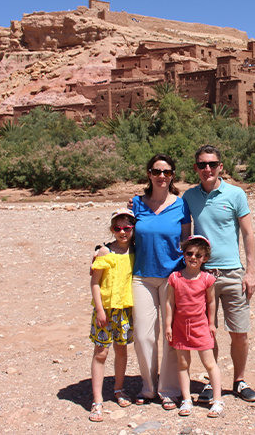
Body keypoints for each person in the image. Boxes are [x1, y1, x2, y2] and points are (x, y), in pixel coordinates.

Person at [182, 144, 255, 403]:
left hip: (233, 273)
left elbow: (248, 234)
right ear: (196, 168)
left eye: (212, 164)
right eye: (202, 165)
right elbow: (182, 231)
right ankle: (210, 381)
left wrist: (251, 272)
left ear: (220, 167)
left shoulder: (236, 194)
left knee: (239, 332)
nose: (207, 169)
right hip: (203, 275)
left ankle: (239, 380)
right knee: (207, 332)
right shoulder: (189, 197)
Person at [130, 154, 191, 409]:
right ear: (149, 174)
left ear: (173, 175)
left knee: (170, 335)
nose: (161, 176)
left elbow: (187, 241)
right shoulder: (136, 203)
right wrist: (104, 249)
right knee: (144, 336)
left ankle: (168, 389)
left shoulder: (181, 204)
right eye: (157, 171)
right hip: (142, 276)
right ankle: (148, 386)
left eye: (167, 171)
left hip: (172, 276)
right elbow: (125, 235)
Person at [165, 235, 224, 418]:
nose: (193, 258)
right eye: (189, 253)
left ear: (205, 258)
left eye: (198, 255)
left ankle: (217, 399)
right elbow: (169, 303)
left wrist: (212, 323)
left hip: (200, 326)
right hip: (181, 326)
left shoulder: (207, 279)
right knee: (183, 364)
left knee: (209, 363)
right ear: (183, 254)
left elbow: (212, 302)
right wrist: (168, 325)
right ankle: (187, 399)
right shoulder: (175, 278)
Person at [88, 208, 136, 422]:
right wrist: (99, 309)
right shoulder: (105, 252)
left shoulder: (135, 250)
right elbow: (95, 282)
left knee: (121, 349)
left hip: (125, 309)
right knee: (101, 352)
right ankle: (97, 399)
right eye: (118, 228)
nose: (123, 232)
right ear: (112, 229)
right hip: (105, 310)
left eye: (127, 228)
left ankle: (118, 389)